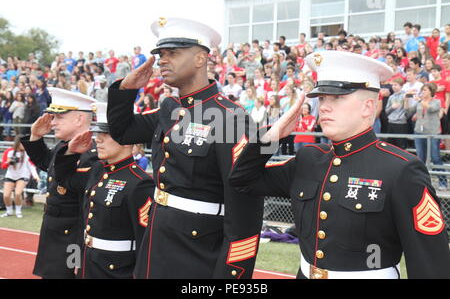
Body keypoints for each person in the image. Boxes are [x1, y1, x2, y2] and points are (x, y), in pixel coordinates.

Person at [229, 50, 450, 279]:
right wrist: (272, 136)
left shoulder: (401, 169)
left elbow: (430, 264)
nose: (323, 106)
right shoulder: (309, 159)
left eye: (337, 98)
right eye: (322, 98)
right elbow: (243, 180)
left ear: (368, 107)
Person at [106, 17, 263, 279]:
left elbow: (244, 212)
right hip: (157, 242)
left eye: (173, 53)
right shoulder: (169, 109)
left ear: (201, 59)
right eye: (161, 54)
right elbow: (122, 132)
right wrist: (126, 89)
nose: (162, 61)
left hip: (197, 253)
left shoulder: (230, 119)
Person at [53, 102, 154, 279]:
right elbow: (65, 179)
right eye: (98, 133)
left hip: (117, 270)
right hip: (88, 263)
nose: (98, 139)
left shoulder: (140, 183)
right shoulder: (98, 170)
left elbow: (146, 240)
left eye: (106, 134)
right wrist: (70, 152)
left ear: (127, 138)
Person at [20, 88, 98, 279]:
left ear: (79, 119)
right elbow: (49, 165)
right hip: (56, 235)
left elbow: (85, 207)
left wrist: (80, 255)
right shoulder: (64, 146)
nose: (52, 122)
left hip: (71, 240)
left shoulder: (90, 154)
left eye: (58, 118)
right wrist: (36, 137)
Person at [405, 83, 447, 190]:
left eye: (425, 90)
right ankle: (421, 182)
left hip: (432, 133)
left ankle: (443, 182)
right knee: (420, 158)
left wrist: (420, 100)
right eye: (422, 90)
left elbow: (431, 109)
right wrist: (406, 100)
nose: (423, 92)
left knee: (436, 157)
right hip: (419, 131)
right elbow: (409, 111)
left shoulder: (436, 101)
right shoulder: (420, 102)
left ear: (431, 92)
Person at [1, 135, 39, 218]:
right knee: (6, 195)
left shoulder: (26, 153)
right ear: (18, 143)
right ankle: (9, 211)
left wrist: (35, 176)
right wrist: (8, 162)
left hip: (22, 176)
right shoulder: (9, 151)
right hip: (10, 176)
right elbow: (3, 166)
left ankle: (18, 211)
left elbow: (31, 165)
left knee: (18, 193)